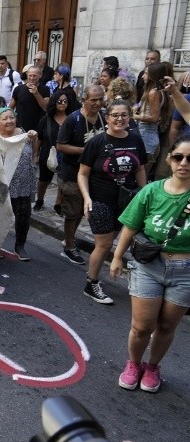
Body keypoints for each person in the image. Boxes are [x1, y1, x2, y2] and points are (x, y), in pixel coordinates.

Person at [110, 136, 190, 393]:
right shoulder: (151, 191)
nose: (184, 163)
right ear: (169, 159)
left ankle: (153, 366)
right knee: (142, 326)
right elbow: (131, 225)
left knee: (167, 326)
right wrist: (117, 256)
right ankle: (134, 363)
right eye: (178, 157)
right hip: (149, 266)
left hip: (185, 271)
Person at [78, 99, 147, 305]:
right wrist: (86, 198)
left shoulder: (135, 139)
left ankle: (95, 275)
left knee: (116, 240)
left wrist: (143, 194)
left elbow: (140, 169)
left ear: (129, 117)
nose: (120, 119)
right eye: (115, 115)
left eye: (124, 115)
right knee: (105, 244)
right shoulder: (96, 142)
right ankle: (91, 283)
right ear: (107, 118)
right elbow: (82, 173)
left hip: (127, 201)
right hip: (100, 200)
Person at [56, 85, 107, 265]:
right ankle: (69, 247)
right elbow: (60, 145)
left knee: (85, 210)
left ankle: (69, 240)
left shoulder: (103, 117)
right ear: (84, 100)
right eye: (93, 100)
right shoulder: (73, 119)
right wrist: (86, 151)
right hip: (72, 173)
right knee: (74, 212)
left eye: (101, 99)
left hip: (95, 174)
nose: (98, 103)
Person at [0, 107, 38, 261]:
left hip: (23, 184)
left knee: (24, 216)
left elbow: (34, 149)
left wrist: (34, 140)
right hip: (1, 185)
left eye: (12, 117)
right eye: (5, 118)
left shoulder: (24, 133)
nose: (9, 121)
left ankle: (20, 246)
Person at [34, 91, 77, 211]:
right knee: (44, 180)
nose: (63, 104)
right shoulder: (46, 119)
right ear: (54, 103)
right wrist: (36, 154)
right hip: (47, 153)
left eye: (65, 101)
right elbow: (39, 138)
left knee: (62, 180)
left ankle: (58, 203)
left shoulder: (72, 119)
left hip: (66, 155)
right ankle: (40, 200)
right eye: (60, 101)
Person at [133, 62, 171, 171]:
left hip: (147, 135)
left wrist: (136, 116)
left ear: (152, 76)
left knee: (142, 173)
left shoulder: (153, 93)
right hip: (147, 134)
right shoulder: (155, 91)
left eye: (146, 74)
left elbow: (155, 118)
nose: (143, 76)